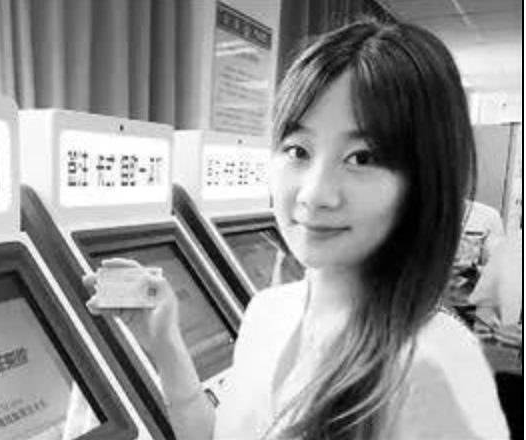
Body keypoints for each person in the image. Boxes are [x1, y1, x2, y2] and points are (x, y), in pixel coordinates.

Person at [84, 19, 510, 440]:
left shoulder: (434, 364)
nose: (315, 194)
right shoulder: (267, 312)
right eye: (298, 150)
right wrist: (165, 345)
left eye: (361, 158)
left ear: (424, 180)